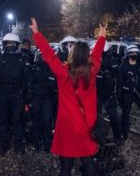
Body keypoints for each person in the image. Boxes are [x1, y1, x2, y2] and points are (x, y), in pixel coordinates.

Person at [30, 18, 107, 176]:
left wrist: (37, 34)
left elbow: (49, 55)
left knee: (66, 167)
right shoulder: (92, 72)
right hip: (87, 126)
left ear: (71, 54)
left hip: (67, 128)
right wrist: (102, 36)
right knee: (88, 162)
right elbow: (97, 55)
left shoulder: (62, 72)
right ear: (87, 56)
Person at [0, 32, 32, 155]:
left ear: (17, 44)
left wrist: (26, 95)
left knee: (17, 121)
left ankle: (18, 146)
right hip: (3, 94)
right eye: (8, 43)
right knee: (2, 121)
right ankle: (3, 146)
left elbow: (27, 78)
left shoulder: (22, 58)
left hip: (17, 94)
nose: (10, 45)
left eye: (12, 43)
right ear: (4, 44)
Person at [30, 51, 57, 153]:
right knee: (37, 122)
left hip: (46, 99)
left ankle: (47, 145)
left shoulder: (50, 69)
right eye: (39, 57)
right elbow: (30, 83)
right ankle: (37, 145)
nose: (41, 59)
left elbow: (53, 84)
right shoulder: (33, 68)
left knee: (46, 122)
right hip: (37, 98)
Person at [96, 42, 122, 143]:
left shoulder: (111, 59)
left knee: (114, 116)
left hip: (108, 93)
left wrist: (118, 92)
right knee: (96, 117)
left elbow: (118, 76)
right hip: (96, 94)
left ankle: (118, 137)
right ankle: (98, 138)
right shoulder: (92, 58)